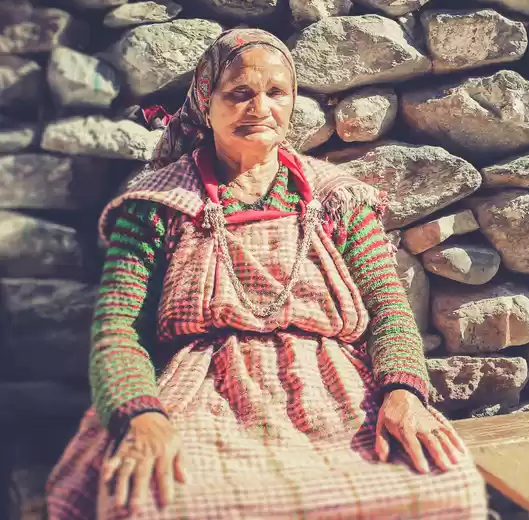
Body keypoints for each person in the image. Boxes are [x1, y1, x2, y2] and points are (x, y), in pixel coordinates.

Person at [44, 28, 488, 519]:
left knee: (444, 485)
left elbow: (388, 309)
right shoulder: (157, 206)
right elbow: (119, 330)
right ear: (204, 103)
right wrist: (142, 415)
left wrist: (403, 393)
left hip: (335, 393)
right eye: (239, 93)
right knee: (160, 502)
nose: (259, 107)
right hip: (205, 393)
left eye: (276, 92)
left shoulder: (338, 198)